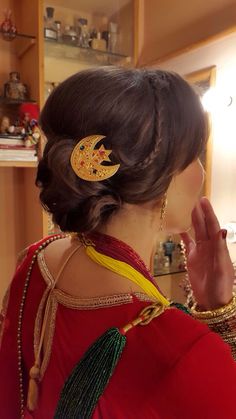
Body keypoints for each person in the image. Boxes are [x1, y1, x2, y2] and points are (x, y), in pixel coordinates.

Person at [0, 67, 236, 419]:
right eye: (194, 156)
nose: (200, 173)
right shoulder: (179, 348)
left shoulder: (36, 261)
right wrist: (222, 317)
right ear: (162, 179)